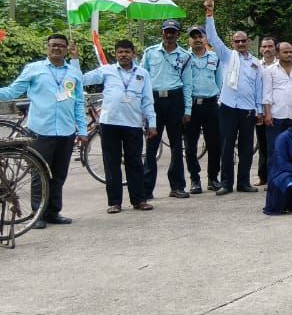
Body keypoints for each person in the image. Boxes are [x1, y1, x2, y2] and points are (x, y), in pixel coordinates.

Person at [0, 34, 87, 227]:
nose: (57, 48)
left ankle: (53, 212)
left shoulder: (73, 73)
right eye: (53, 45)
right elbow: (12, 91)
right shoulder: (34, 69)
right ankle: (37, 214)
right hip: (40, 130)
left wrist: (82, 130)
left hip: (66, 130)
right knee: (39, 174)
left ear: (66, 49)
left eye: (61, 46)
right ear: (47, 47)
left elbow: (79, 103)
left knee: (59, 174)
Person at [80, 40, 157, 212]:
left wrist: (152, 123)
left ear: (133, 54)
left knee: (135, 163)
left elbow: (147, 100)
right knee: (111, 163)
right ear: (115, 54)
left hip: (133, 124)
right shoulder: (106, 71)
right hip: (110, 123)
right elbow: (82, 79)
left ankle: (139, 200)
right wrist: (74, 60)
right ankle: (114, 203)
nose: (123, 55)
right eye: (120, 52)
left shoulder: (142, 73)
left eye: (127, 52)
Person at [203, 0, 264, 196]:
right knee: (227, 146)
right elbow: (212, 38)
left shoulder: (256, 63)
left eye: (243, 41)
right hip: (228, 107)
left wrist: (259, 111)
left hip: (248, 109)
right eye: (237, 41)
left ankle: (243, 182)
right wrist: (209, 14)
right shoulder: (227, 56)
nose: (240, 43)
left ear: (248, 42)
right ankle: (226, 183)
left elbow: (258, 88)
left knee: (246, 148)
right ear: (232, 43)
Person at [140, 19, 193, 200]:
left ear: (178, 34)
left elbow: (188, 84)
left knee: (177, 146)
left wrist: (187, 110)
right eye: (167, 31)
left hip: (175, 100)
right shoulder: (150, 53)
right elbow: (142, 79)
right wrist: (143, 107)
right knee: (151, 146)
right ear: (162, 33)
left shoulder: (185, 56)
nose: (169, 34)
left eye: (173, 31)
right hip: (154, 101)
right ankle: (146, 189)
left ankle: (177, 186)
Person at [184, 25, 221, 193]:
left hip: (211, 105)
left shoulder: (215, 57)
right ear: (189, 40)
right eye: (194, 37)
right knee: (190, 146)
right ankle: (195, 179)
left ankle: (213, 178)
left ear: (206, 39)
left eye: (200, 36)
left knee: (214, 144)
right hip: (191, 106)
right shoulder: (184, 58)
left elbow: (219, 81)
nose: (197, 40)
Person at [262, 40, 292, 189]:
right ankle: (272, 181)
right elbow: (266, 93)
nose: (289, 54)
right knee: (274, 150)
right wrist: (267, 114)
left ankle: (291, 180)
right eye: (285, 52)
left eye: (291, 51)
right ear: (277, 54)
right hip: (275, 116)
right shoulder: (270, 71)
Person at [253, 36, 278, 186]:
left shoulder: (280, 64)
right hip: (260, 111)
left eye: (270, 46)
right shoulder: (255, 65)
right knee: (263, 145)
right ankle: (263, 176)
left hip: (278, 110)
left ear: (275, 48)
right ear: (260, 49)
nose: (267, 49)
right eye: (264, 46)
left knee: (276, 146)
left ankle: (276, 176)